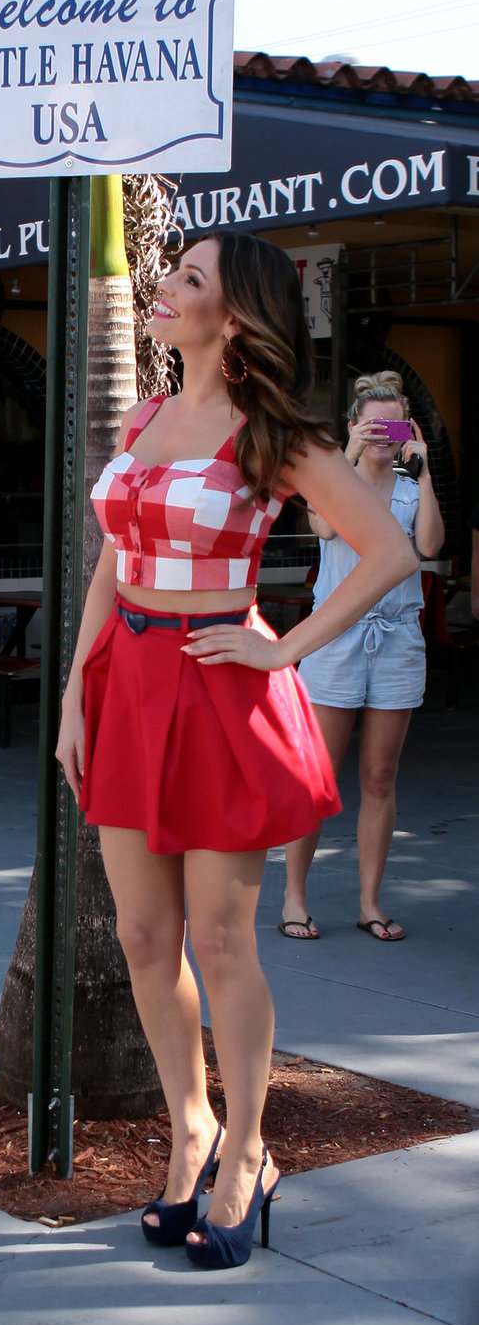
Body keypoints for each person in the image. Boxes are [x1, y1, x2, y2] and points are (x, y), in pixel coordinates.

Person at [56, 233, 416, 1271]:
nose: (164, 290)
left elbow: (390, 550)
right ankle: (193, 1130)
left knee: (220, 940)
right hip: (127, 681)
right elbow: (109, 570)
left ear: (237, 315)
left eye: (189, 280)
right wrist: (79, 697)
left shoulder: (273, 436)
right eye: (170, 276)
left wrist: (284, 648)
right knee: (137, 930)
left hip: (221, 685)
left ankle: (248, 1147)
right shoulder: (146, 418)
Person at [281, 373, 444, 943]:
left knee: (379, 777)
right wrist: (348, 456)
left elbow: (429, 545)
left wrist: (422, 474)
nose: (383, 436)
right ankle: (294, 897)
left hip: (397, 640)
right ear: (353, 427)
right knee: (317, 775)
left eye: (393, 425)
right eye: (372, 424)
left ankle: (370, 902)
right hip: (336, 640)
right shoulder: (337, 483)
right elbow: (324, 525)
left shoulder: (407, 485)